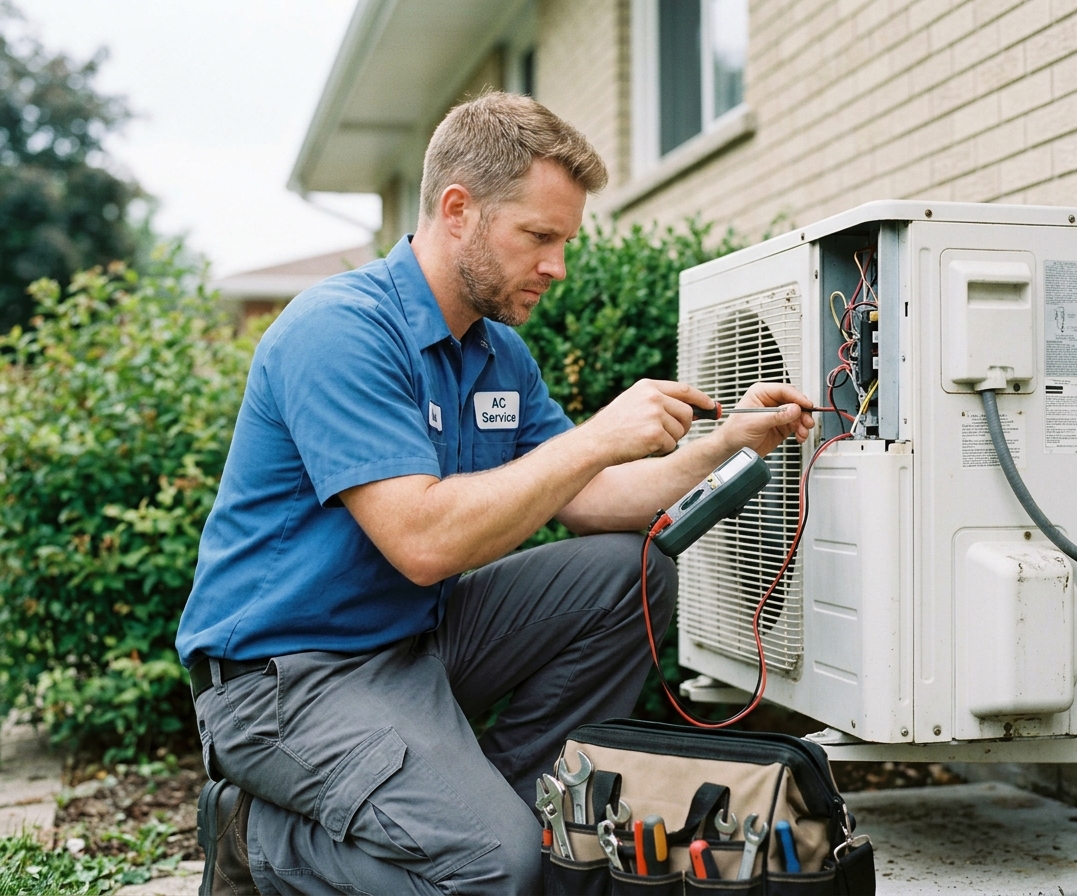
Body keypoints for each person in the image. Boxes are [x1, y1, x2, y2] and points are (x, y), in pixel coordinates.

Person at [176, 91, 816, 896]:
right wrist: (595, 436)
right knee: (493, 869)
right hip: (285, 680)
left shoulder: (496, 354)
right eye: (540, 237)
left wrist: (723, 445)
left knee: (633, 571)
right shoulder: (338, 331)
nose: (557, 265)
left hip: (414, 641)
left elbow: (591, 499)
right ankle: (254, 839)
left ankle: (503, 812)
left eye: (565, 241)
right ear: (457, 210)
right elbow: (424, 544)